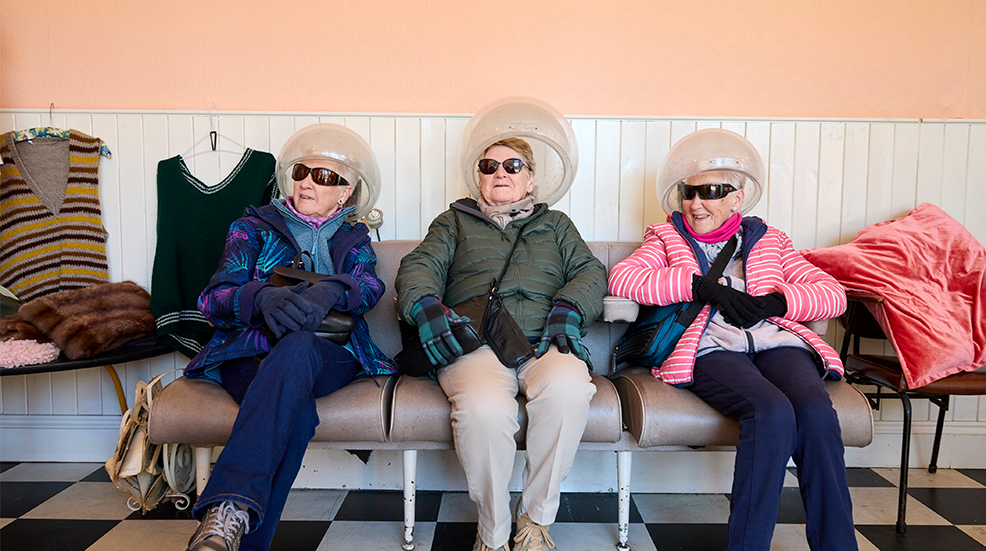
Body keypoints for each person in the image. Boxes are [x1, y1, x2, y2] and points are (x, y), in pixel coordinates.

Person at [608, 129, 856, 551]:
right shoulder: (666, 236)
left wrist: (777, 302)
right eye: (689, 192)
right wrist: (701, 287)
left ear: (737, 198)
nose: (696, 203)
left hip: (776, 343)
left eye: (711, 192)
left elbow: (833, 294)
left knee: (815, 411)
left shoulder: (770, 240)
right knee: (771, 411)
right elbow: (624, 278)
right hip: (710, 346)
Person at [182, 124, 396, 551]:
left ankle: (225, 506)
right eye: (301, 171)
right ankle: (235, 529)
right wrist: (260, 297)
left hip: (329, 355)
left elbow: (370, 288)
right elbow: (213, 299)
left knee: (299, 346)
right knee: (294, 417)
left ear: (346, 193)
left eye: (325, 177)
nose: (307, 183)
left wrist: (334, 288)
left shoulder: (354, 237)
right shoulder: (252, 227)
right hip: (253, 353)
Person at [396, 137, 606, 551]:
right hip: (477, 345)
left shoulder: (557, 224)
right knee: (483, 409)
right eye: (489, 166)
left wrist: (568, 308)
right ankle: (492, 531)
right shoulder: (453, 221)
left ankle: (534, 520)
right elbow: (419, 265)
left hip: (545, 340)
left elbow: (591, 271)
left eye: (512, 166)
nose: (500, 174)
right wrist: (424, 304)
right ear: (479, 178)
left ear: (530, 180)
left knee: (569, 389)